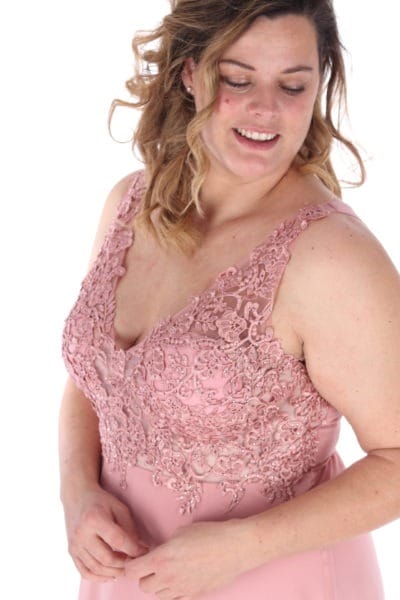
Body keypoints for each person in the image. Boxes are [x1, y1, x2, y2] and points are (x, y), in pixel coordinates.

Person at [59, 1, 400, 599]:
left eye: (292, 86)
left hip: (276, 581)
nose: (265, 109)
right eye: (238, 80)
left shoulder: (331, 257)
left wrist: (243, 547)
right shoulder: (129, 205)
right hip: (121, 581)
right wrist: (77, 493)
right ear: (189, 72)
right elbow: (97, 381)